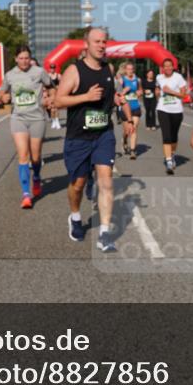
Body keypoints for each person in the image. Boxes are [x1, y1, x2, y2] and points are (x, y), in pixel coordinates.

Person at [55, 27, 124, 252]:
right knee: (78, 184)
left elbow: (109, 97)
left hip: (103, 134)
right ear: (86, 44)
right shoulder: (74, 70)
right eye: (97, 41)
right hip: (79, 137)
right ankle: (75, 217)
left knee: (106, 181)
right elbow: (58, 101)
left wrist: (117, 101)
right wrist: (85, 96)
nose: (102, 45)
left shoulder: (108, 68)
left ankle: (104, 233)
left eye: (104, 41)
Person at [0, 45, 55, 209]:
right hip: (18, 118)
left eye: (27, 58)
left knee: (35, 158)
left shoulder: (39, 72)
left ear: (30, 58)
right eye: (21, 58)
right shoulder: (10, 75)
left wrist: (51, 99)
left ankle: (36, 177)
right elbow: (1, 93)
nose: (24, 61)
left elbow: (52, 87)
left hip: (37, 118)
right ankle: (26, 195)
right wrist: (4, 97)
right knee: (23, 155)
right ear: (16, 59)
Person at [156, 58, 189, 174]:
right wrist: (157, 93)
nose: (168, 68)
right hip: (162, 109)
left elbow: (184, 95)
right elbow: (157, 88)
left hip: (176, 110)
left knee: (174, 136)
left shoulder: (178, 77)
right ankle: (169, 161)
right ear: (162, 68)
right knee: (166, 136)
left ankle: (172, 154)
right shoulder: (159, 77)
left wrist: (171, 92)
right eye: (165, 66)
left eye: (170, 66)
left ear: (173, 67)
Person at [118, 62, 143, 159]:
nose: (130, 71)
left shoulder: (138, 80)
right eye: (128, 69)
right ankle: (124, 140)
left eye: (132, 69)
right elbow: (117, 94)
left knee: (134, 128)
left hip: (135, 106)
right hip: (125, 108)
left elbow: (140, 90)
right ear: (125, 70)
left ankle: (132, 151)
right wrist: (124, 91)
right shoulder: (121, 80)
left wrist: (139, 92)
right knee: (127, 130)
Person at [46, 63, 62, 129]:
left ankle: (57, 121)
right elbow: (45, 85)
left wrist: (58, 87)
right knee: (52, 108)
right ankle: (53, 121)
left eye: (53, 68)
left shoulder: (58, 75)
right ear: (49, 69)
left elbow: (62, 84)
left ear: (55, 68)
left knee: (56, 107)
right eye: (51, 68)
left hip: (56, 93)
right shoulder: (47, 76)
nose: (52, 69)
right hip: (50, 94)